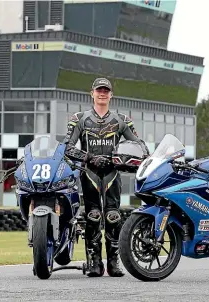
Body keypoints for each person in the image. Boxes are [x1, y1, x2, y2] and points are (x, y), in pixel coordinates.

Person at [63, 77, 149, 277]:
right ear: (91, 93)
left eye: (106, 90)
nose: (102, 93)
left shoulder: (122, 120)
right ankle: (94, 262)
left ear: (111, 95)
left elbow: (139, 145)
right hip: (89, 172)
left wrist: (121, 159)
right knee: (93, 215)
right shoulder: (79, 118)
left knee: (113, 216)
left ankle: (113, 262)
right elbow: (67, 147)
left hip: (112, 172)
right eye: (99, 90)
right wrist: (89, 158)